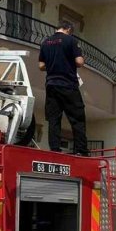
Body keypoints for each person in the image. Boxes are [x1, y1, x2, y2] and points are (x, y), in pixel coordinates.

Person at [38, 21, 88, 156]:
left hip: (51, 85)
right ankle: (81, 150)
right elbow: (79, 62)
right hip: (68, 84)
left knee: (54, 118)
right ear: (68, 29)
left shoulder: (45, 42)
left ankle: (54, 149)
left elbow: (41, 66)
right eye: (70, 32)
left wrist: (54, 64)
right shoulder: (71, 41)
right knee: (77, 117)